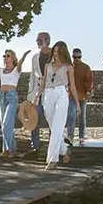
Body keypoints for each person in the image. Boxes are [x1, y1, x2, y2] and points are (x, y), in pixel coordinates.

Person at [35, 41, 78, 170]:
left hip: (61, 94)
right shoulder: (47, 66)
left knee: (58, 125)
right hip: (48, 94)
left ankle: (52, 160)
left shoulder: (69, 67)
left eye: (58, 52)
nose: (56, 54)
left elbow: (73, 86)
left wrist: (77, 104)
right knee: (54, 127)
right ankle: (64, 150)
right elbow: (42, 83)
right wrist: (36, 97)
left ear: (63, 53)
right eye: (54, 52)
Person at [27, 32, 54, 151]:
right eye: (37, 39)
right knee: (34, 120)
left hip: (51, 92)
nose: (37, 41)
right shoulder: (34, 58)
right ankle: (35, 147)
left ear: (47, 40)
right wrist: (30, 96)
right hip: (37, 94)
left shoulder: (56, 56)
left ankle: (52, 147)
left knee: (52, 122)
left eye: (40, 39)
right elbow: (32, 77)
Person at [71, 47, 94, 146]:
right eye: (75, 57)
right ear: (72, 56)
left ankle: (81, 136)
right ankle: (70, 136)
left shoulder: (85, 67)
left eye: (78, 57)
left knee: (82, 117)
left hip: (82, 95)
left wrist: (88, 91)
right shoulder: (69, 67)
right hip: (70, 95)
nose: (76, 59)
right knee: (71, 116)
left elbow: (89, 80)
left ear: (81, 56)